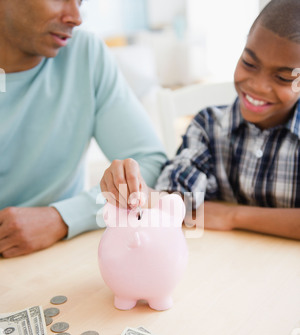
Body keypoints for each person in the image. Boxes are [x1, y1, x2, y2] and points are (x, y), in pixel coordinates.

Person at [0, 0, 167, 258]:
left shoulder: (84, 55)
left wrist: (62, 218)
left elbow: (150, 163)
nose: (76, 17)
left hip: (60, 255)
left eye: (80, 1)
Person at [154, 0, 300, 240]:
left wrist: (231, 216)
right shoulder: (208, 126)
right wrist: (158, 197)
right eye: (249, 63)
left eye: (283, 77)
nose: (257, 85)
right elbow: (176, 191)